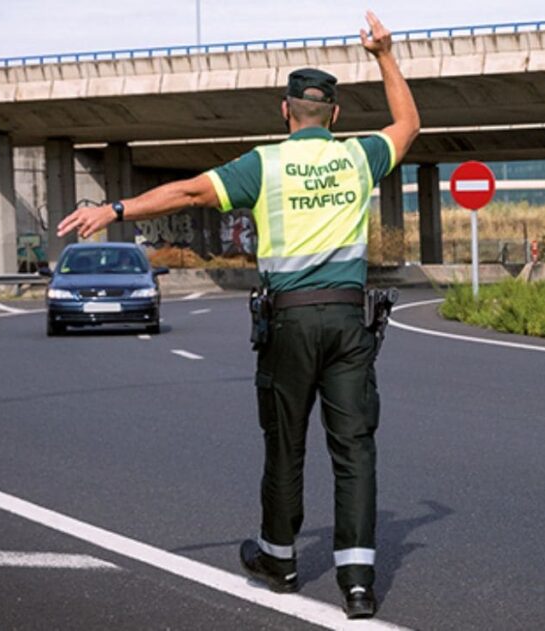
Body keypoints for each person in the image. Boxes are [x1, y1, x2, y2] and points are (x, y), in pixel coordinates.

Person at [56, 11, 419, 619]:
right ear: (334, 115)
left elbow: (189, 192)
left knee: (285, 442)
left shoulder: (265, 165)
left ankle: (279, 560)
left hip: (290, 323)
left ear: (285, 112)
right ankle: (357, 581)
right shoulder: (359, 157)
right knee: (353, 448)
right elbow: (409, 122)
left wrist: (116, 208)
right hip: (348, 323)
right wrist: (384, 53)